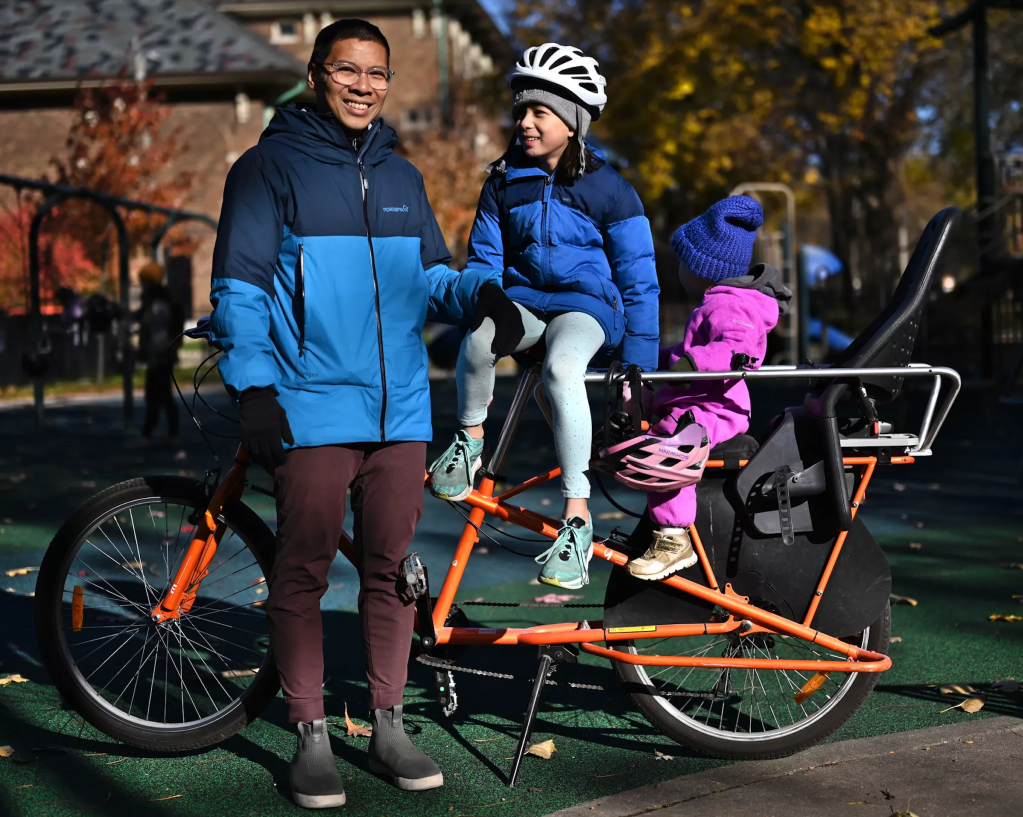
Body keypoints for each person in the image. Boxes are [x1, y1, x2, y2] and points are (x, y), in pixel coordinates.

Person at [209, 19, 497, 810]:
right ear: (315, 72)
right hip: (308, 406)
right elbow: (240, 285)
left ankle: (388, 723)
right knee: (301, 570)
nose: (364, 85)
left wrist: (480, 295)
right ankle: (308, 731)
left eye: (377, 72)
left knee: (392, 574)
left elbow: (431, 276)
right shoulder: (266, 168)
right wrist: (256, 388)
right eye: (348, 70)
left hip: (399, 409)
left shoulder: (402, 176)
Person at [428, 43, 660, 591]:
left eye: (541, 112)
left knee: (560, 371)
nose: (525, 122)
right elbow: (485, 260)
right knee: (480, 337)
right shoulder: (505, 182)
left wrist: (638, 370)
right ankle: (468, 441)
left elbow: (639, 277)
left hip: (586, 308)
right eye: (521, 111)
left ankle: (576, 521)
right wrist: (490, 299)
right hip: (526, 301)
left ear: (574, 121)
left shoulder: (609, 189)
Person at [624, 196, 792, 580]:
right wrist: (661, 359)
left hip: (717, 409)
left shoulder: (731, 306)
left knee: (672, 444)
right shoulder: (718, 301)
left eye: (684, 261)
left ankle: (673, 538)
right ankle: (617, 437)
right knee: (643, 396)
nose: (680, 269)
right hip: (704, 400)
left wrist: (690, 365)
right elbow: (691, 353)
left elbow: (736, 351)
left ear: (702, 268)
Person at [136, 261, 183, 447]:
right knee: (158, 396)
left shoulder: (159, 303)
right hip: (160, 353)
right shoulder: (156, 300)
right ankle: (156, 434)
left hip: (162, 354)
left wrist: (158, 353)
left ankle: (156, 435)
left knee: (160, 395)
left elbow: (159, 331)